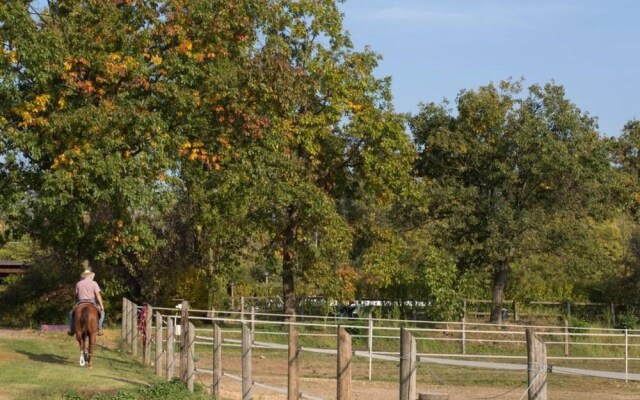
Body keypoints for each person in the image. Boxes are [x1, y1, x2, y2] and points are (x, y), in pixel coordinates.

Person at [67, 269, 105, 336]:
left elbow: (76, 295)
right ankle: (99, 328)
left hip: (81, 301)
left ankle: (72, 329)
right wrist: (101, 305)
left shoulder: (79, 283)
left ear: (84, 275)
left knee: (71, 313)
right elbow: (98, 295)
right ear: (90, 275)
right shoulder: (94, 283)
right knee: (102, 313)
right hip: (91, 301)